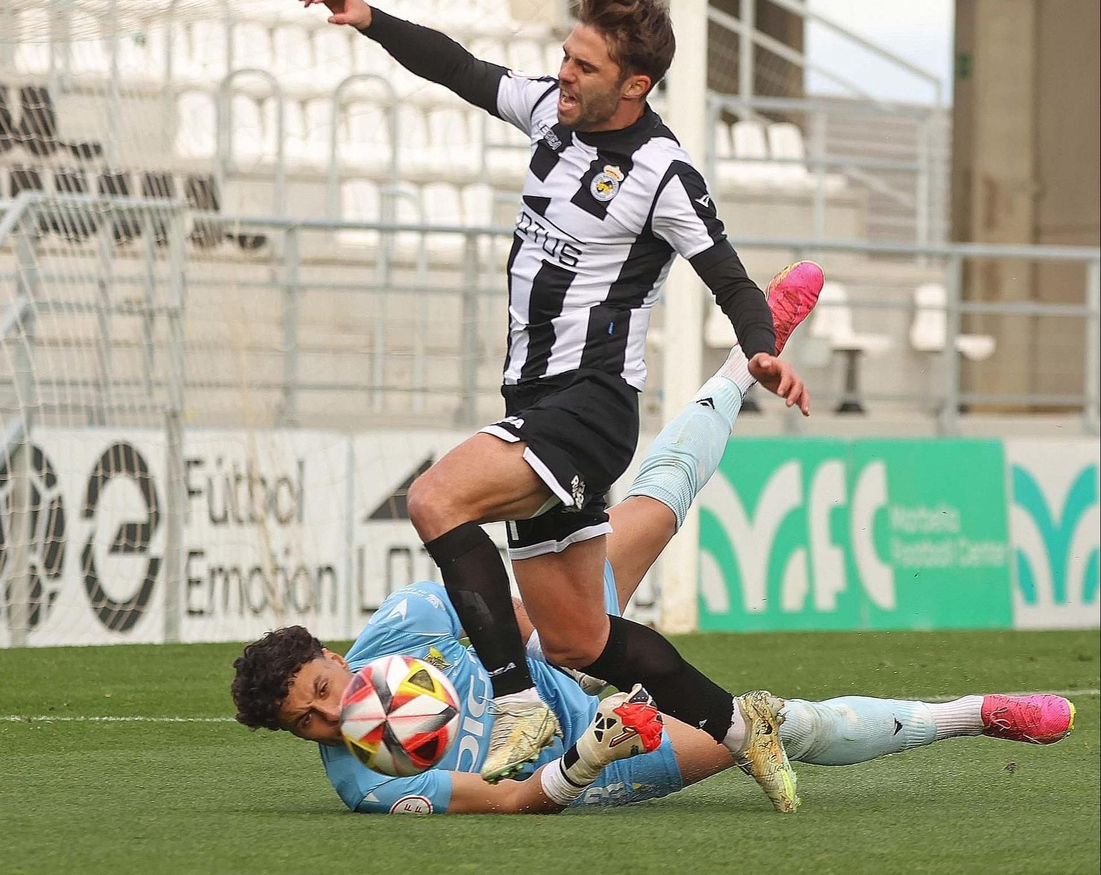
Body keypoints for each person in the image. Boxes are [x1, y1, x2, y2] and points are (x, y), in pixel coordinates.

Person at [299, 0, 819, 810]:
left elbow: (731, 278)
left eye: (584, 64)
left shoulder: (663, 173)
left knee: (436, 499)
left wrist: (761, 350)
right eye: (566, 55)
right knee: (580, 637)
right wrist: (369, 20)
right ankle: (736, 726)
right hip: (536, 401)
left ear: (635, 84)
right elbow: (460, 68)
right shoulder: (552, 111)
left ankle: (516, 705)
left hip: (590, 404)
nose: (563, 72)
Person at [229, 313, 1076, 813]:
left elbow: (514, 613)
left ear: (336, 659)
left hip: (557, 657)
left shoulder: (401, 628)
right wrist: (587, 755)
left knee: (653, 509)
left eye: (324, 691)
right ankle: (977, 713)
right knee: (775, 728)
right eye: (308, 721)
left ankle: (750, 353)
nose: (334, 717)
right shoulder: (366, 783)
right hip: (597, 760)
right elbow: (512, 805)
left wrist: (577, 645)